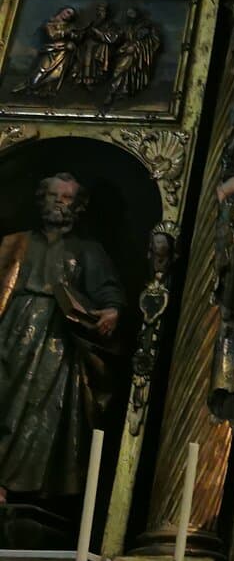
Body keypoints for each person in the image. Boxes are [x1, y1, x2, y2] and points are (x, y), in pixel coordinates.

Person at [0, 173, 124, 502]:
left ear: (78, 206)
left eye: (67, 198)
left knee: (40, 409)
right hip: (10, 331)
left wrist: (112, 310)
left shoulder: (88, 250)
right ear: (41, 200)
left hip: (57, 342)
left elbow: (108, 290)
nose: (59, 202)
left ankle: (21, 486)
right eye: (53, 195)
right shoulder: (14, 243)